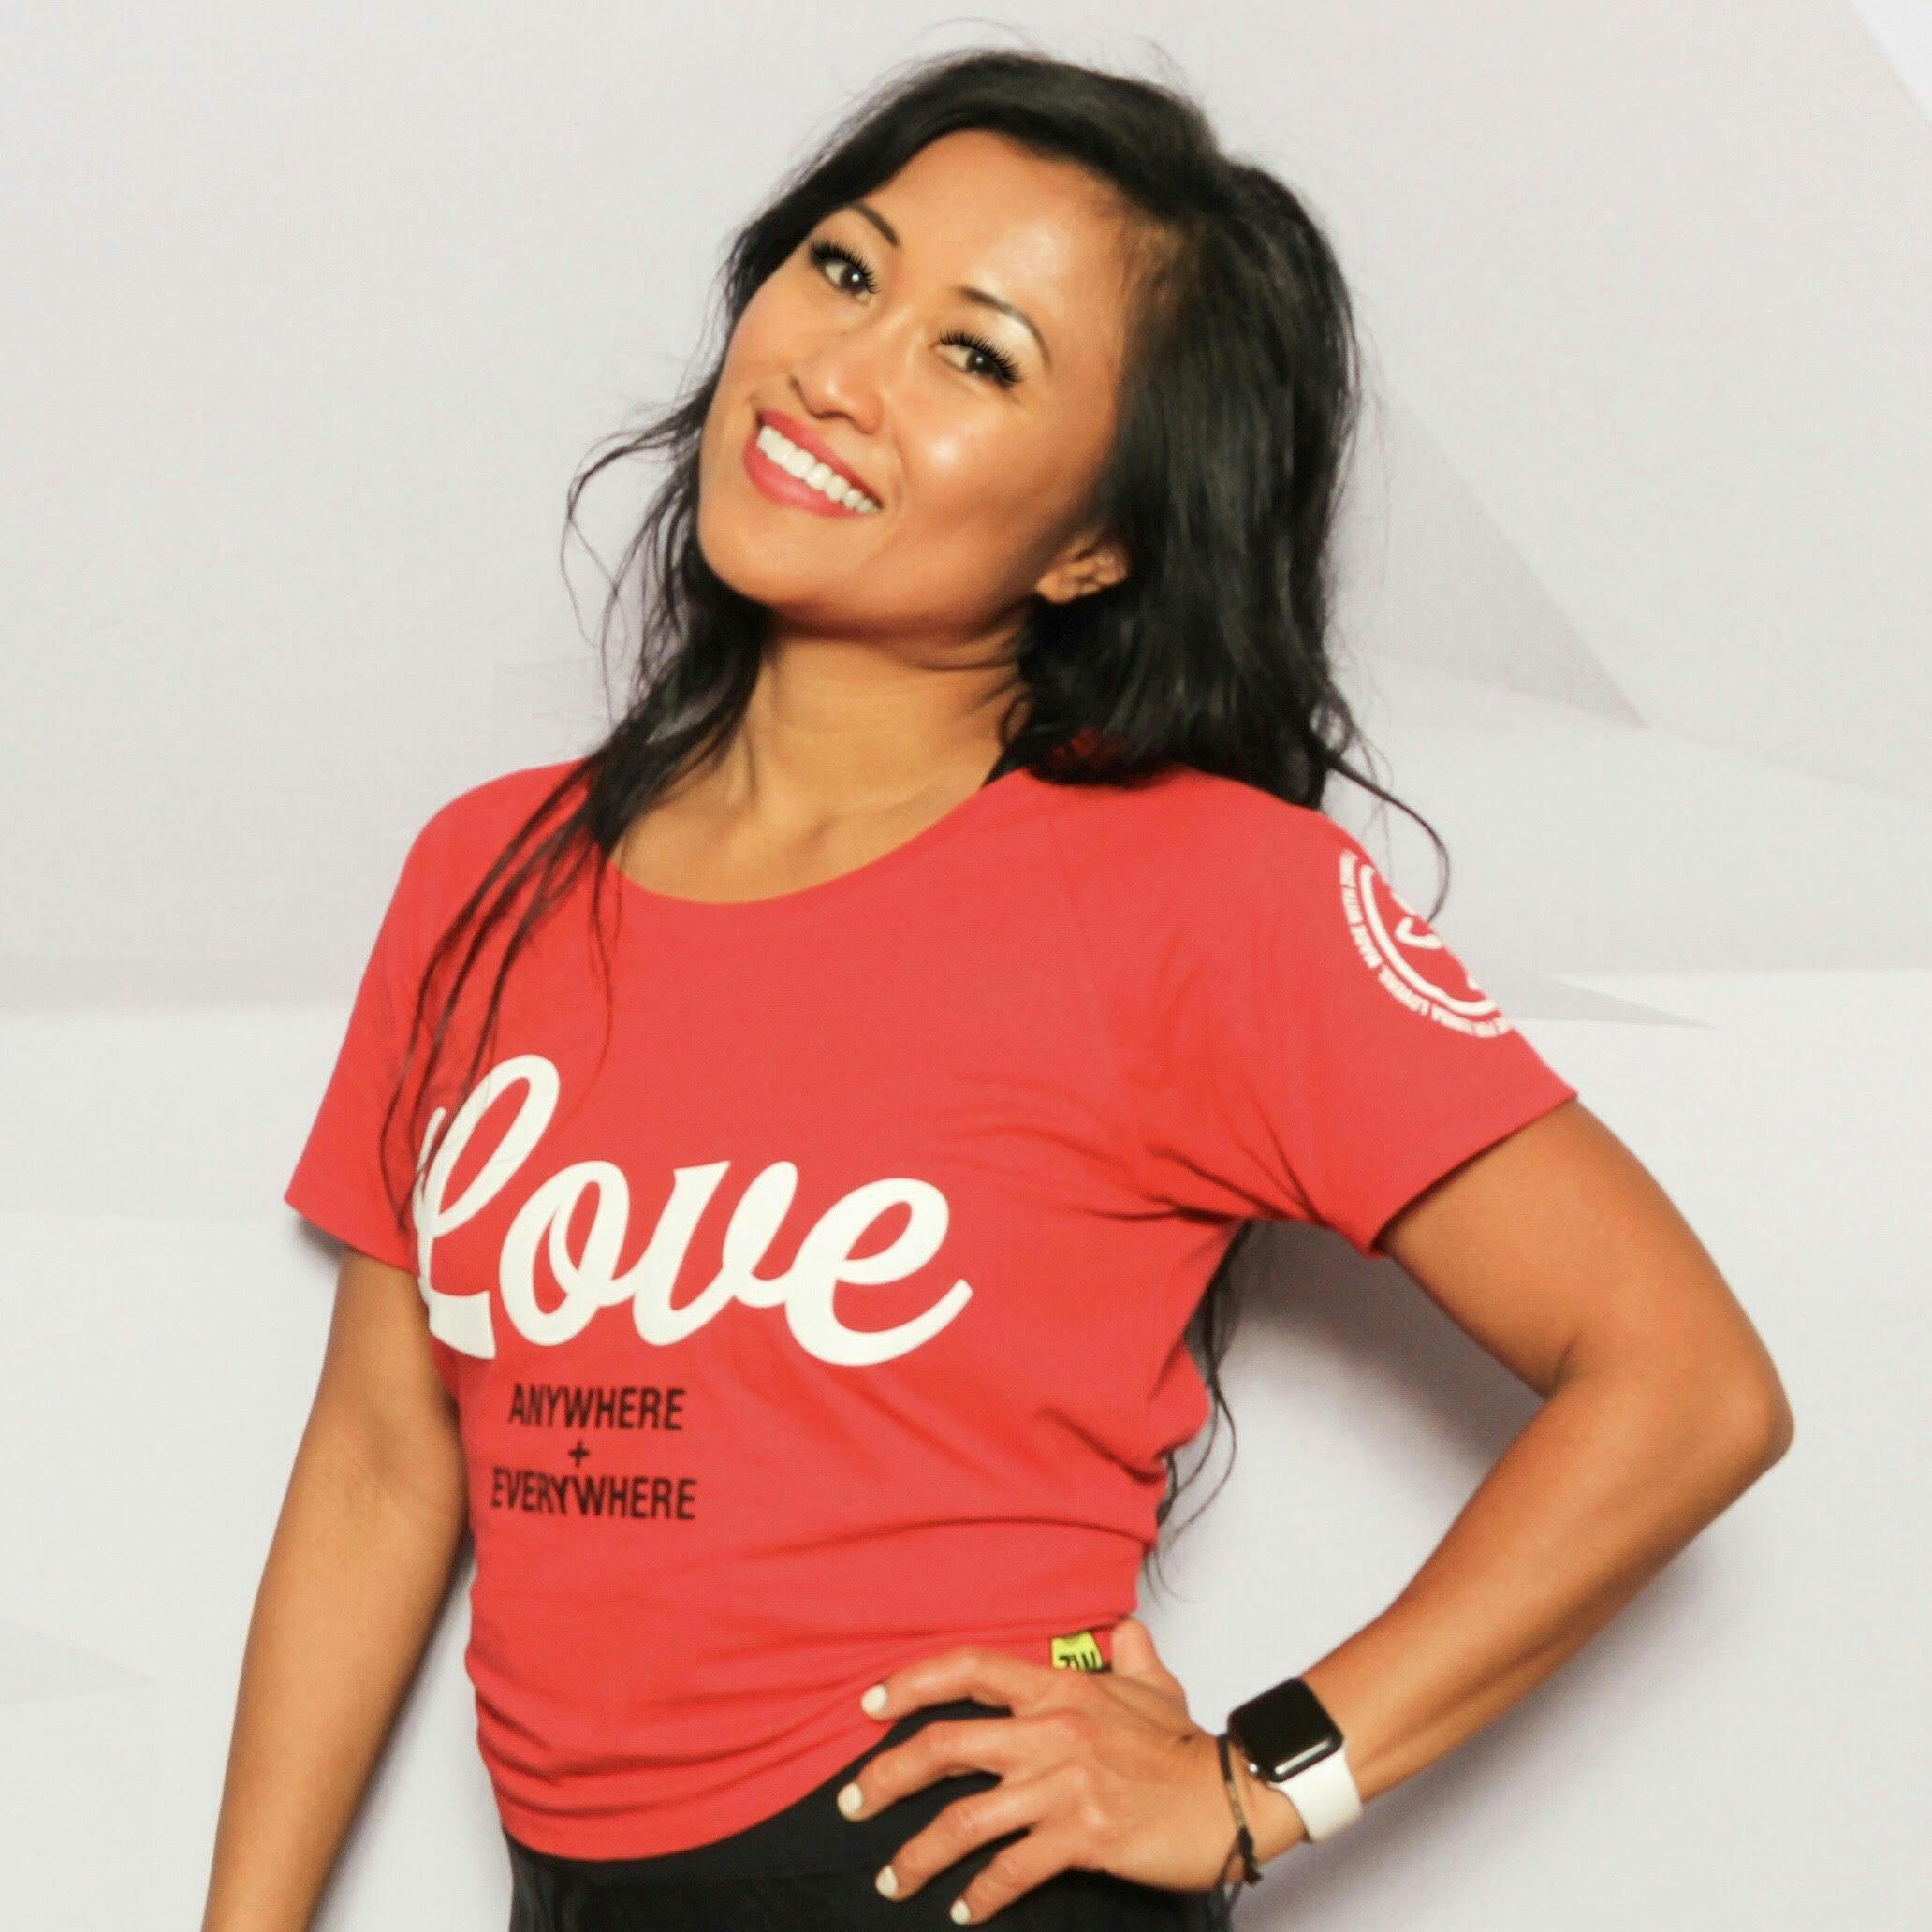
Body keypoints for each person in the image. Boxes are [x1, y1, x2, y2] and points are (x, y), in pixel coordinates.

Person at [200, 44, 1794, 1932]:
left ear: (1100, 538)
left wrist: (1256, 1784)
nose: (838, 369)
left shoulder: (1208, 896)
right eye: (846, 269)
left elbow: (1686, 1385)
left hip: (960, 1880)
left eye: (977, 357)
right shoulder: (489, 868)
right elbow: (384, 1466)